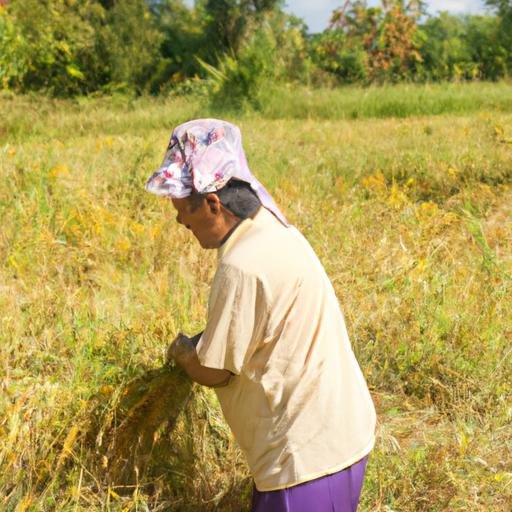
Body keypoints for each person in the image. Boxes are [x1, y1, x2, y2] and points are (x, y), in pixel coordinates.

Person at [145, 118, 376, 512]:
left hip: (305, 463)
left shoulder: (241, 266)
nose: (179, 220)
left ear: (214, 202)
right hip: (341, 433)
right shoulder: (271, 227)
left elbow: (216, 371)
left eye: (183, 208)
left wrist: (183, 354)